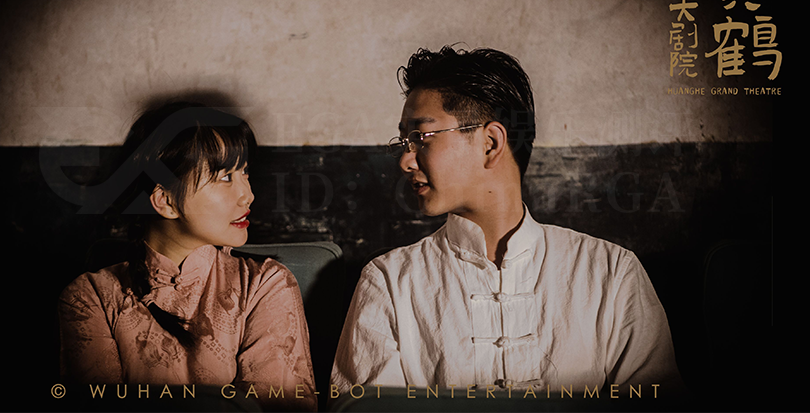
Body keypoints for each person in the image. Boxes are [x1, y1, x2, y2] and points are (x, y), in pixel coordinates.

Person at [331, 46, 682, 396]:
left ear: (490, 143)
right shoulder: (389, 282)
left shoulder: (611, 273)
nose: (406, 161)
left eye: (420, 137)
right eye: (404, 141)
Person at [58, 102, 316, 411]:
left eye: (245, 172)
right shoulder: (91, 297)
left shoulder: (265, 284)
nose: (248, 195)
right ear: (166, 201)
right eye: (225, 177)